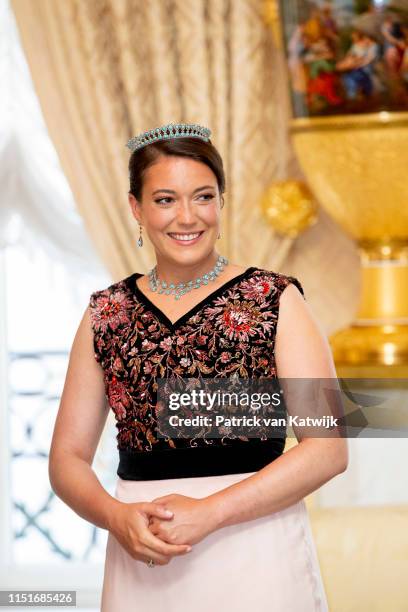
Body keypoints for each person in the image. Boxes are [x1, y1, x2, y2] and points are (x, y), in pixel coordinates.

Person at [49, 122, 348, 611]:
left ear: (222, 203)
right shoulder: (106, 313)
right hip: (142, 556)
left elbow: (329, 447)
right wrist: (115, 516)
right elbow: (66, 459)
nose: (187, 217)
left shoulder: (276, 299)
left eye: (203, 197)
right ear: (135, 208)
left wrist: (209, 513)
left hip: (256, 550)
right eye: (165, 199)